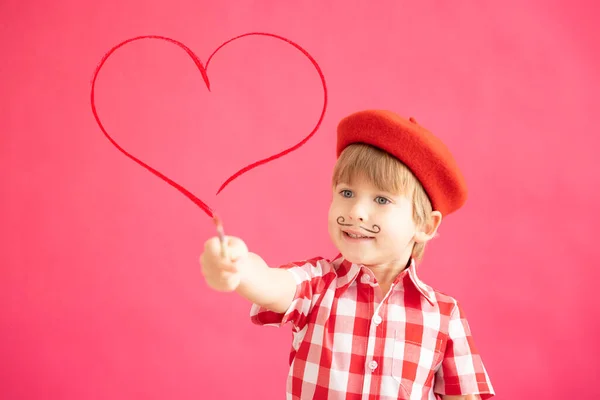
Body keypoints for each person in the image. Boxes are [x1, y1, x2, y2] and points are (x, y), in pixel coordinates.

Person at [199, 110, 495, 399]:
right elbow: (267, 282)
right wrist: (238, 266)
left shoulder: (444, 314)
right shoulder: (316, 285)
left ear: (426, 225)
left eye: (381, 199)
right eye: (347, 193)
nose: (356, 212)